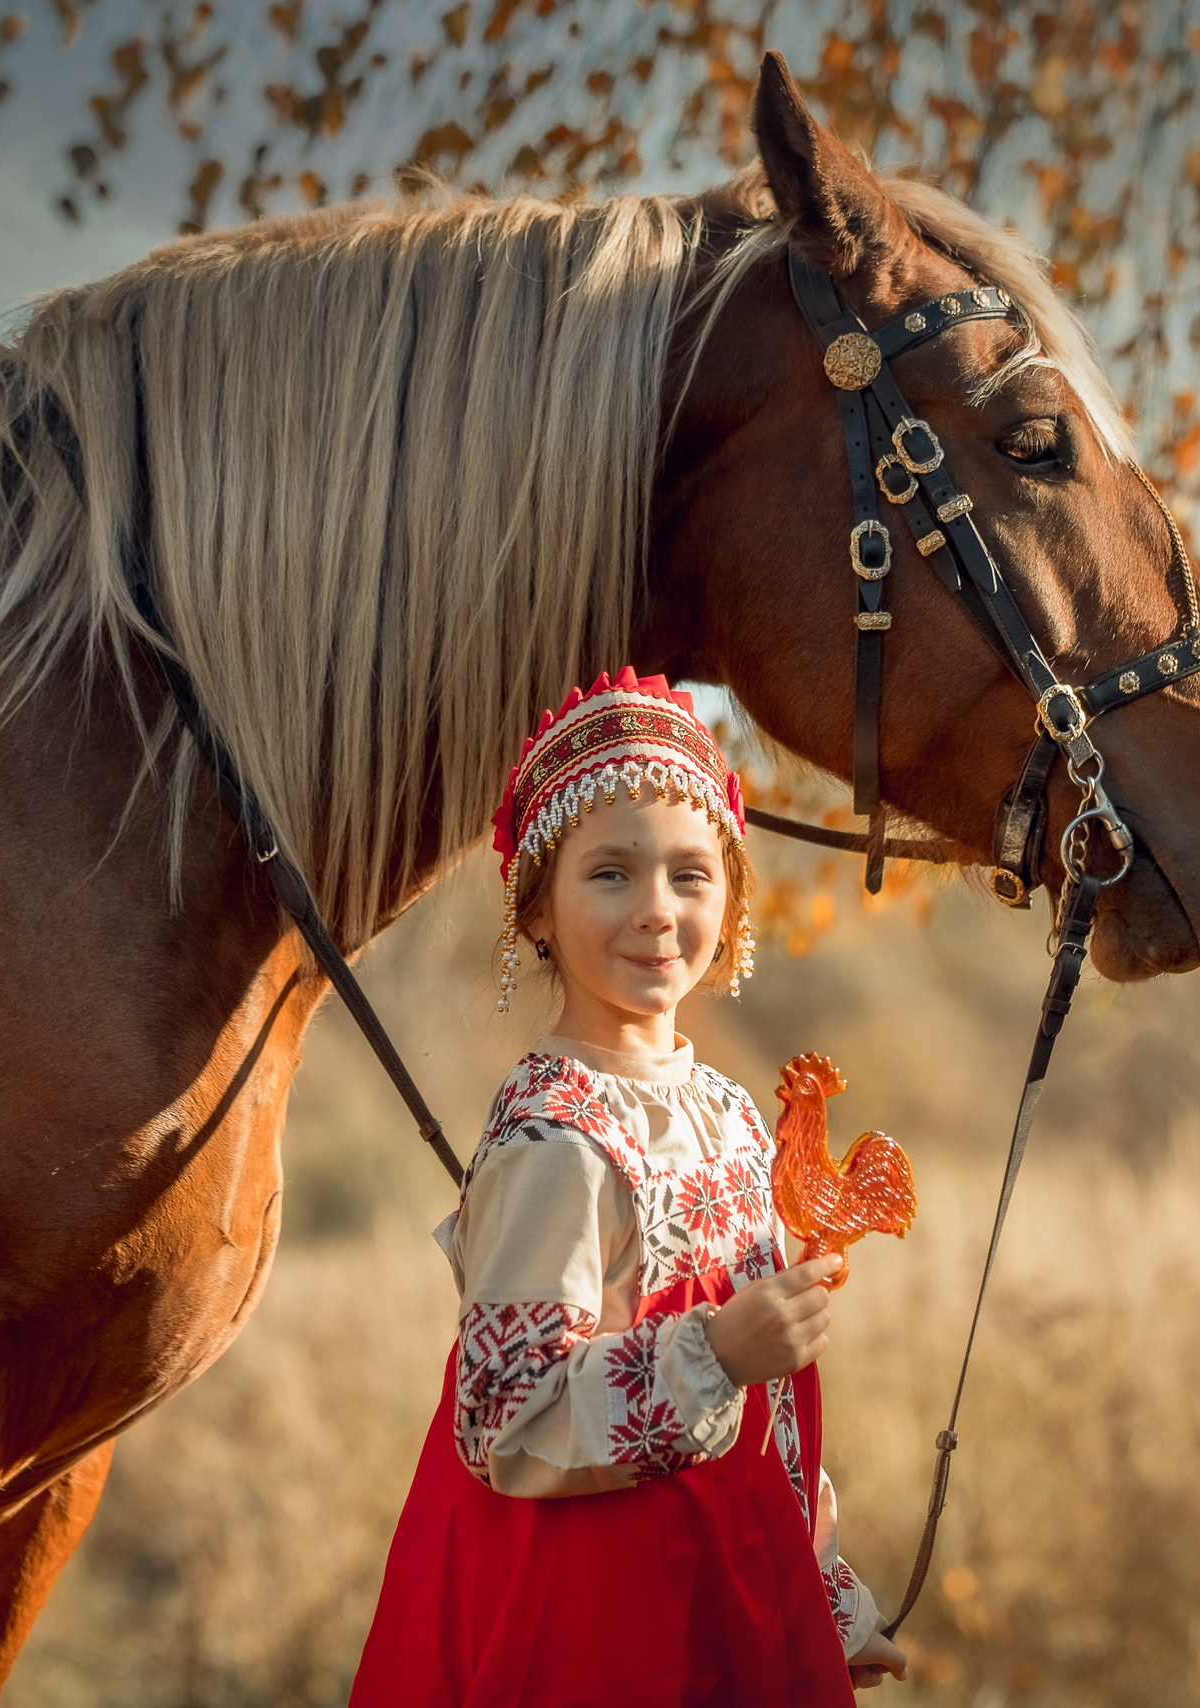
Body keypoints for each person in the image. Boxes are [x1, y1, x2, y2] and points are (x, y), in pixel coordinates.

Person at [352, 668, 911, 1706]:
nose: (656, 910)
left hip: (732, 1597)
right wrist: (715, 1352)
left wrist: (825, 1600)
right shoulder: (554, 1140)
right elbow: (504, 1417)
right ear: (537, 909)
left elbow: (776, 1416)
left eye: (690, 875)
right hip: (599, 1623)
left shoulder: (730, 1112)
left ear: (731, 905)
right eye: (610, 872)